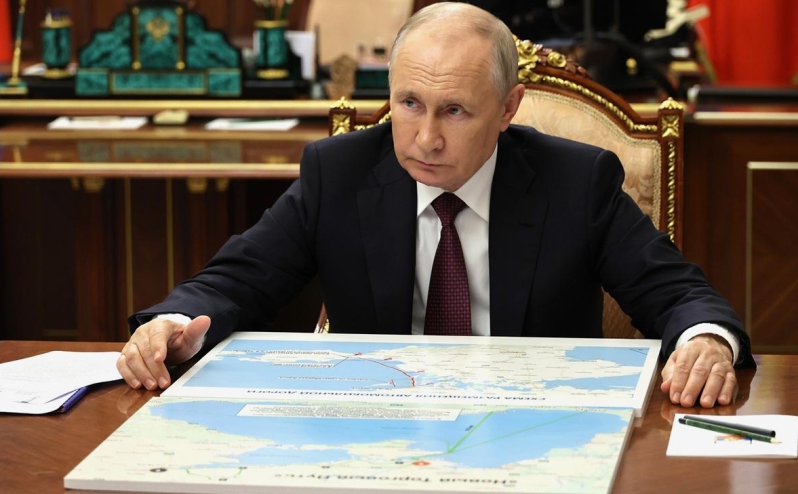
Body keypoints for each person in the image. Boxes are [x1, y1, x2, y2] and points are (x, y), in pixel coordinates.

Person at [117, 2, 752, 409]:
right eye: (409, 104)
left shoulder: (574, 181)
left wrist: (706, 342)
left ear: (507, 109)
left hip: (533, 425)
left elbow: (678, 295)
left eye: (454, 111)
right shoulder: (338, 173)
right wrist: (174, 322)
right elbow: (236, 280)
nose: (425, 139)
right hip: (378, 429)